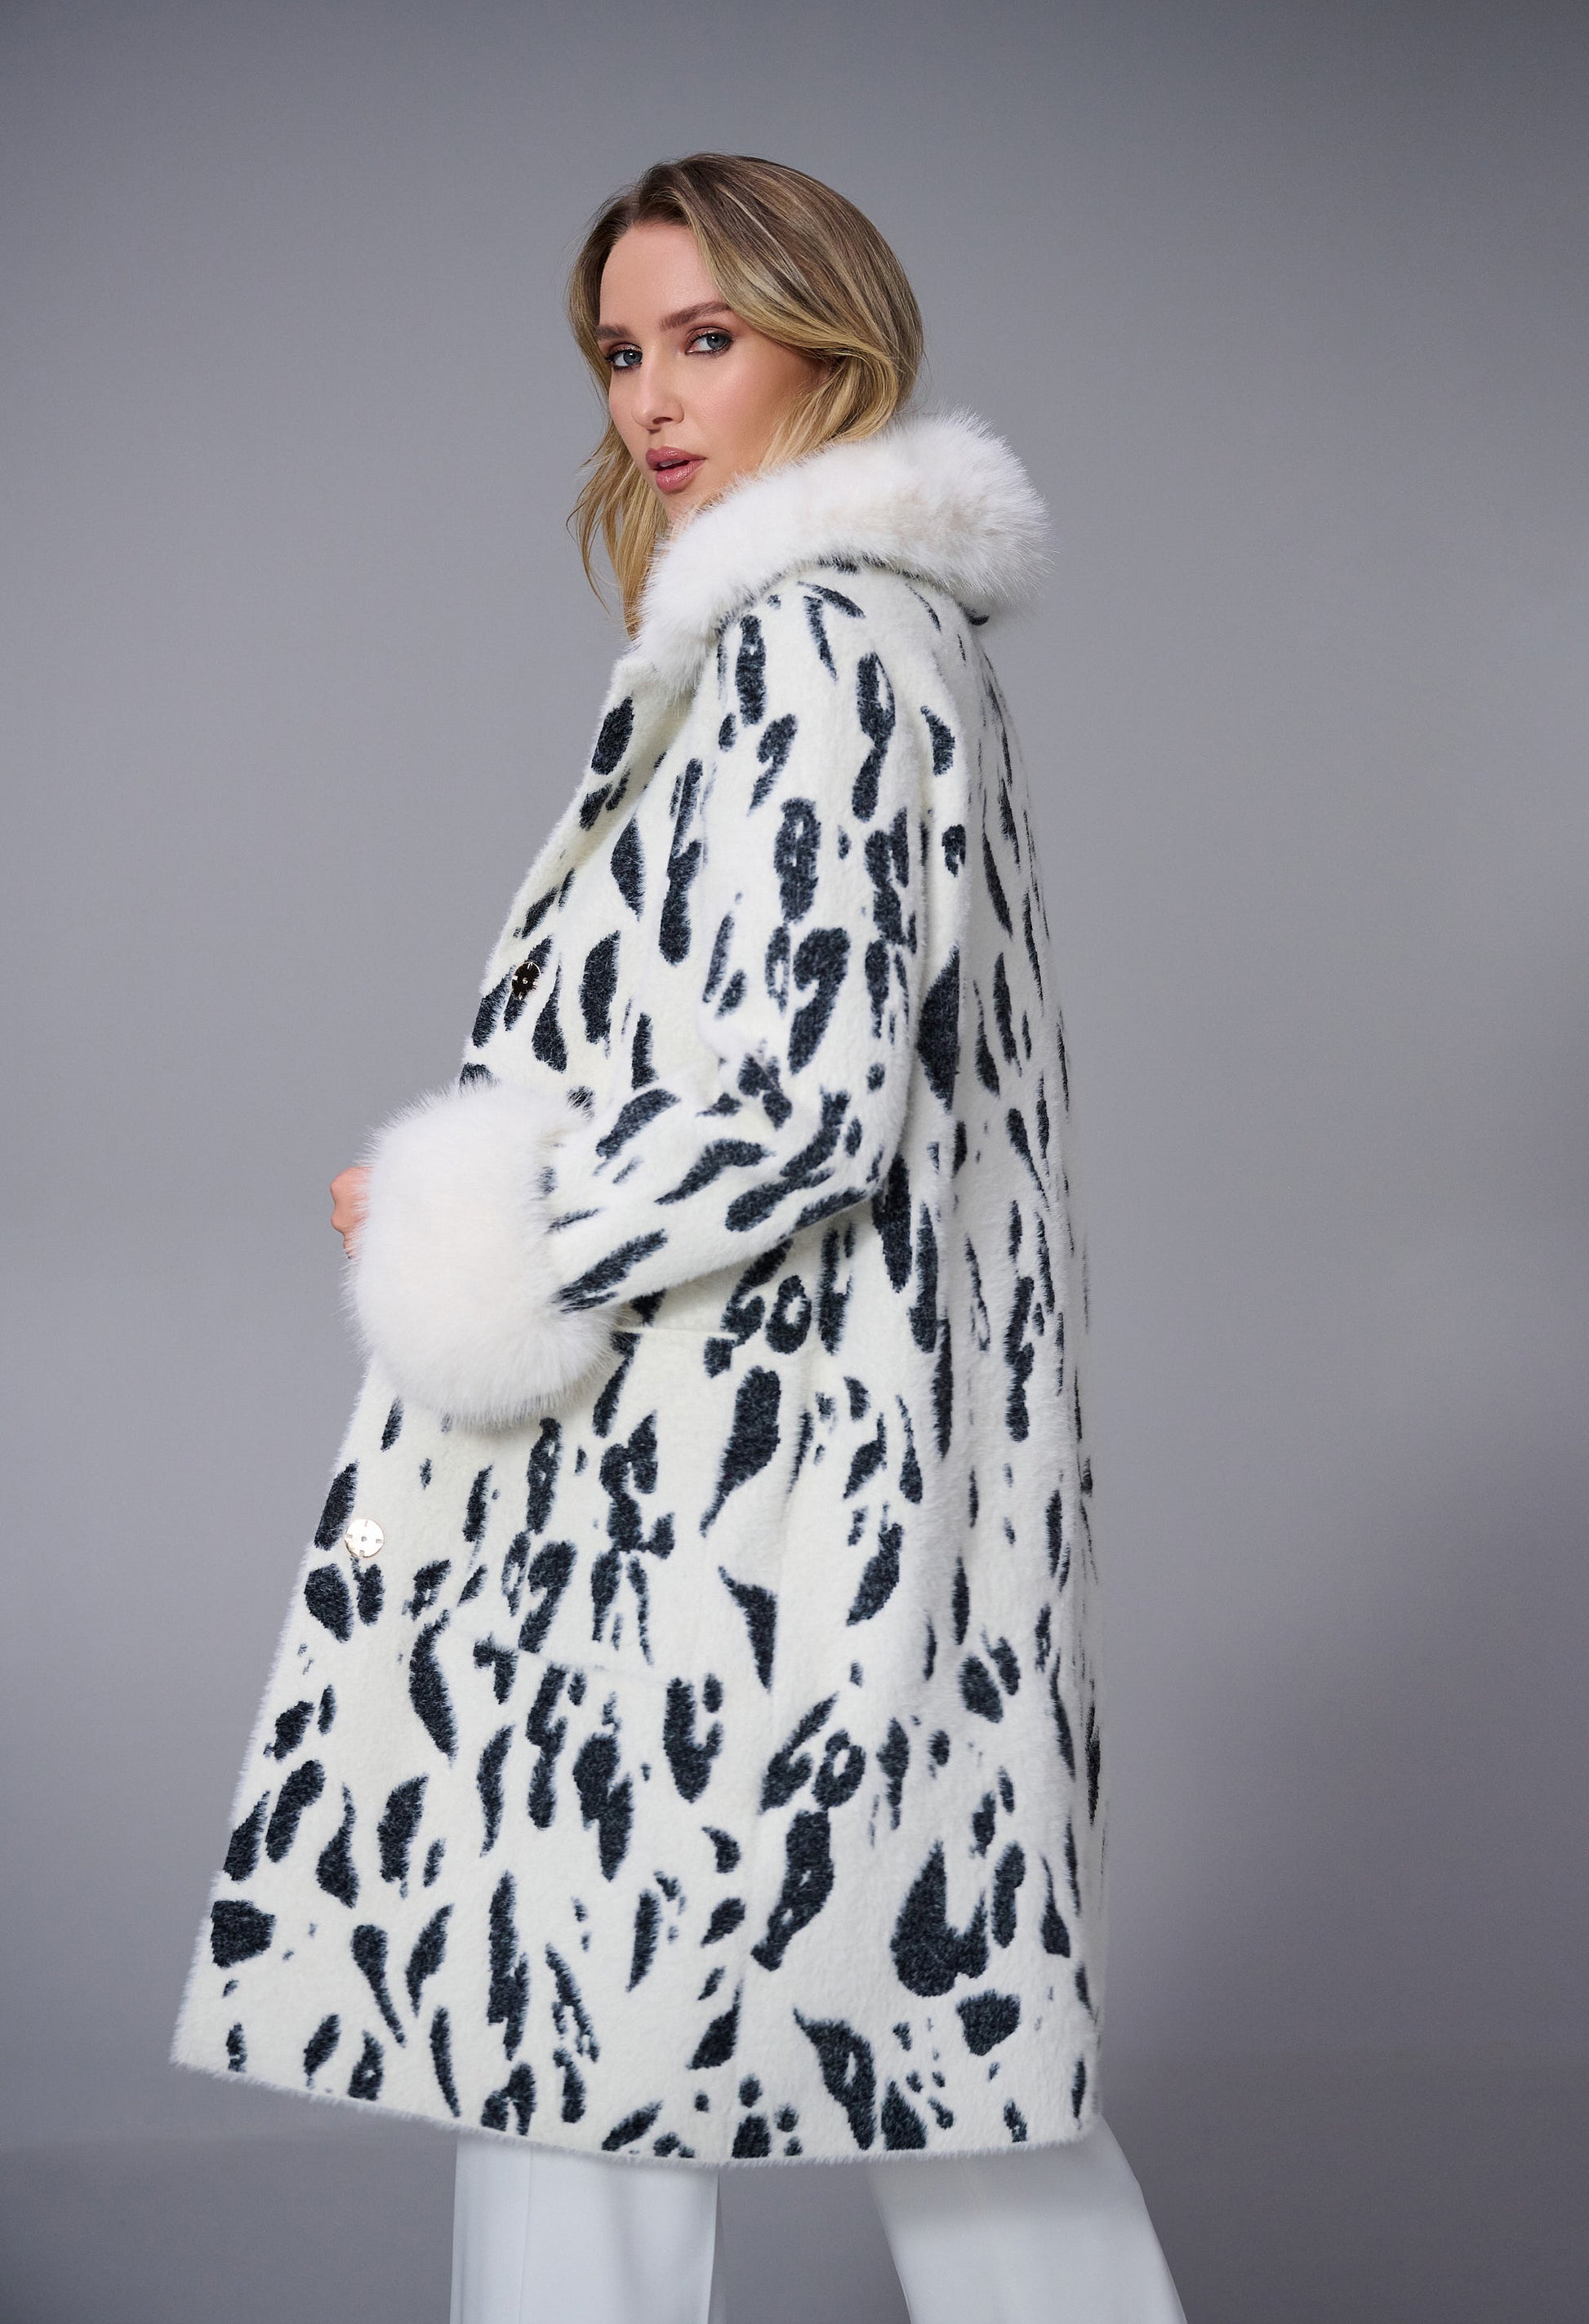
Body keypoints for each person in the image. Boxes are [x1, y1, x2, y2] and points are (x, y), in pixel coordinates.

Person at [171, 153, 1188, 2323]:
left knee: (595, 2046)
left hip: (737, 1488)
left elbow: (804, 1105)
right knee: (937, 2059)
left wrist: (472, 1208)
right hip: (805, 1469)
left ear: (833, 341)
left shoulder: (819, 638)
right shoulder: (864, 633)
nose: (649, 396)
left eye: (705, 338)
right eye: (621, 352)